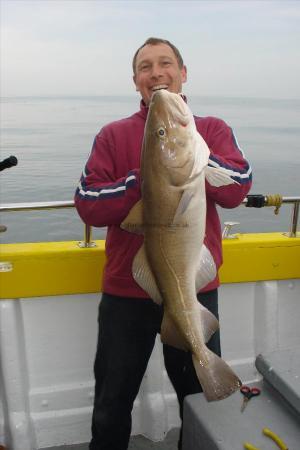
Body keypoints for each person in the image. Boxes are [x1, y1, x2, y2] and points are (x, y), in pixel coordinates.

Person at [74, 37, 252, 450]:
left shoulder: (210, 131)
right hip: (125, 289)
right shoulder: (113, 135)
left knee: (199, 402)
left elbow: (237, 189)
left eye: (165, 64)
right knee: (112, 399)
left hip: (194, 287)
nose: (156, 73)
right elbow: (87, 203)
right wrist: (143, 181)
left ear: (183, 72)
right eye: (145, 67)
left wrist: (192, 157)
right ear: (135, 80)